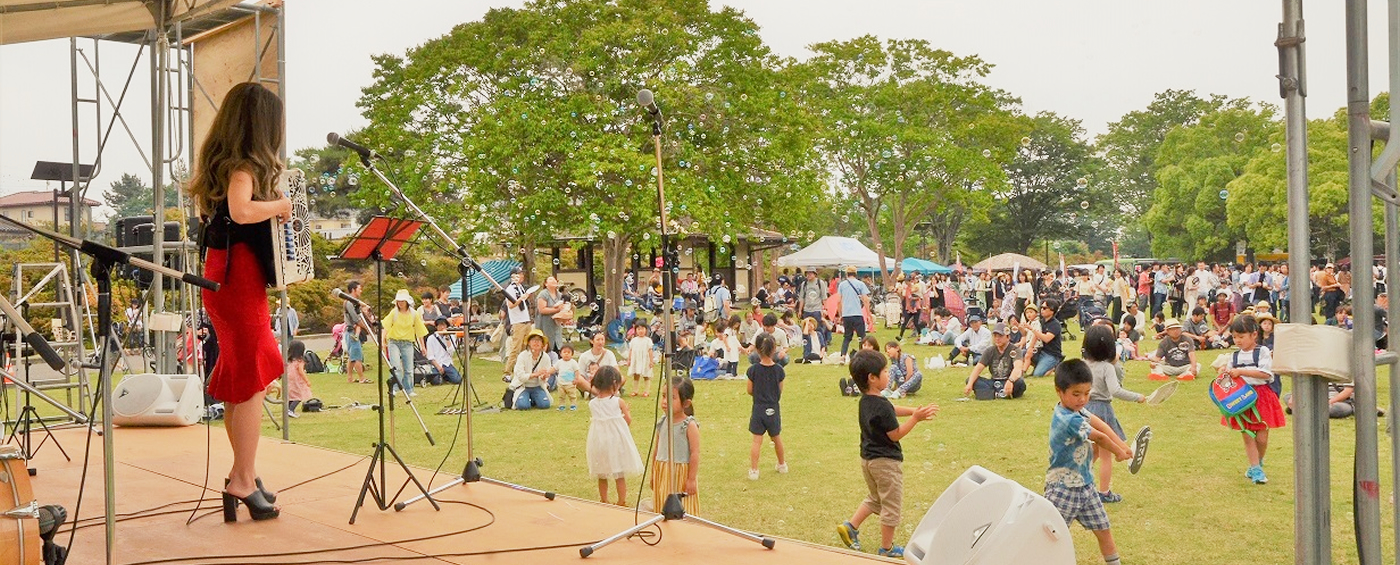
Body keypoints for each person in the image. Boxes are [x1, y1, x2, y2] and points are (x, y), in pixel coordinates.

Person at [188, 82, 291, 522]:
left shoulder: (220, 163)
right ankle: (243, 481)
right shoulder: (243, 167)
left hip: (224, 273)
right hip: (238, 279)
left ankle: (241, 472)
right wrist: (282, 204)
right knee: (251, 378)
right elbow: (242, 210)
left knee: (241, 379)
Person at [835, 350, 939, 558]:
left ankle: (851, 527)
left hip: (868, 460)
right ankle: (887, 548)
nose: (888, 374)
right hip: (886, 464)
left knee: (875, 498)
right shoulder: (881, 405)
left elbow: (891, 408)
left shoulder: (866, 401)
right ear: (872, 378)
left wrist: (912, 411)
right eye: (884, 371)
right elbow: (895, 434)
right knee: (891, 505)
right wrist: (915, 419)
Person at [1045, 359, 1133, 565]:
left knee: (1104, 530)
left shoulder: (1079, 410)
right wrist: (1119, 453)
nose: (1082, 399)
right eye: (1076, 394)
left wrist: (1122, 444)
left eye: (1087, 393)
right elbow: (1099, 438)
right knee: (1049, 536)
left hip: (1086, 486)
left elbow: (1102, 425)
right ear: (1060, 391)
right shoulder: (1067, 418)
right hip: (1063, 488)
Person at [1080, 325, 1145, 504]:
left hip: (1084, 410)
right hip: (1102, 410)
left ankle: (1078, 481)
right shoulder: (1106, 367)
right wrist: (1137, 397)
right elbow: (1115, 390)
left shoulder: (1083, 364)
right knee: (1106, 453)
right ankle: (1104, 492)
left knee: (1092, 450)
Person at [1218, 314, 1286, 484]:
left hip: (1262, 397)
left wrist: (1242, 372)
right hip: (1242, 399)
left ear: (1254, 334)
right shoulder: (1234, 357)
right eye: (1234, 337)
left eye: (1241, 337)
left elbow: (1266, 374)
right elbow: (1228, 381)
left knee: (1262, 437)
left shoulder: (1262, 352)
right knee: (1247, 435)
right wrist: (1223, 373)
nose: (1238, 341)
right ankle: (1255, 468)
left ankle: (1258, 462)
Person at [586, 366, 644, 506]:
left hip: (598, 441)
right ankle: (621, 501)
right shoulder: (618, 402)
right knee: (619, 473)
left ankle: (604, 499)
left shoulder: (592, 404)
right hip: (616, 441)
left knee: (602, 473)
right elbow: (628, 420)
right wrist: (626, 412)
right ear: (614, 384)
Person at [652, 377, 701, 515]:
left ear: (686, 403)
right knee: (662, 505)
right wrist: (653, 473)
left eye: (671, 398)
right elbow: (656, 449)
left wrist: (691, 479)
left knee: (683, 508)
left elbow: (695, 453)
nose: (665, 401)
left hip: (680, 474)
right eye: (663, 396)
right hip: (662, 471)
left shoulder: (689, 425)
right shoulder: (662, 422)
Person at [746, 333, 788, 480]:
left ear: (757, 349)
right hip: (773, 407)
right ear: (774, 349)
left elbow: (749, 390)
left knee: (756, 440)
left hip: (758, 408)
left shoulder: (753, 370)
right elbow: (780, 390)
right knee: (776, 438)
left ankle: (754, 470)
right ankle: (782, 464)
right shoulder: (779, 370)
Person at [963, 322, 1026, 400]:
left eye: (1000, 336)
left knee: (1020, 383)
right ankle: (999, 394)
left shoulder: (1015, 350)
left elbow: (1018, 368)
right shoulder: (990, 350)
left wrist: (1010, 381)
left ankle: (988, 394)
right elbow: (978, 368)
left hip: (1009, 381)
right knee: (970, 380)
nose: (997, 339)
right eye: (995, 336)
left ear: (1008, 337)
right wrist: (970, 384)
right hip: (994, 382)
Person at [383, 289, 428, 396]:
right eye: (398, 301)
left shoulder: (414, 314)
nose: (400, 303)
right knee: (396, 367)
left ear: (407, 301)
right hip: (394, 342)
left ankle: (409, 389)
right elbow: (385, 327)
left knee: (408, 368)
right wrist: (383, 341)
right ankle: (394, 387)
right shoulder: (394, 313)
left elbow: (419, 330)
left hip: (408, 343)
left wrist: (422, 346)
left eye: (402, 301)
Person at [510, 329, 555, 410]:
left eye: (538, 340)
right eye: (533, 340)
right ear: (529, 343)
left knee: (545, 405)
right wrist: (536, 374)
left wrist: (544, 376)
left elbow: (544, 378)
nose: (536, 343)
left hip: (537, 386)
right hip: (523, 385)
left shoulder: (545, 357)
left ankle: (534, 399)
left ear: (542, 344)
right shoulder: (522, 356)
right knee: (523, 406)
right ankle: (524, 398)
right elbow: (520, 376)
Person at [501, 266, 534, 377]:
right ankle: (507, 372)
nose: (522, 276)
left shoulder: (520, 287)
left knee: (526, 347)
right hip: (518, 322)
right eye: (519, 274)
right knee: (516, 348)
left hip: (526, 320)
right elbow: (510, 305)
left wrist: (526, 297)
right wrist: (522, 298)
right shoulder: (511, 289)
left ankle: (523, 369)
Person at [837, 266, 872, 362]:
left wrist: (840, 314)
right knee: (862, 336)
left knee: (847, 337)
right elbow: (865, 300)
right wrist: (868, 314)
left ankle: (843, 356)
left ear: (846, 274)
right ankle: (863, 356)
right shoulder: (860, 284)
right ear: (856, 274)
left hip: (846, 314)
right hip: (857, 313)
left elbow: (839, 301)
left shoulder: (842, 285)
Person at [341, 282, 371, 384]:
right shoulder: (349, 303)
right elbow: (356, 319)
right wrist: (368, 328)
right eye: (359, 289)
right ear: (353, 290)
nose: (361, 291)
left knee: (352, 356)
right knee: (357, 355)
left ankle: (350, 378)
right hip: (352, 331)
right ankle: (362, 378)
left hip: (351, 331)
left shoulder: (354, 302)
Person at [1030, 299, 1065, 377]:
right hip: (1040, 351)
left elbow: (1046, 339)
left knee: (1037, 374)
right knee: (1022, 353)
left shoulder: (1055, 324)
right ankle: (1039, 365)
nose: (1042, 310)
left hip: (1051, 354)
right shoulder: (1040, 322)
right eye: (1041, 307)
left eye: (1045, 308)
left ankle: (1053, 366)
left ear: (1052, 311)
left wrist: (1033, 330)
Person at [576, 332, 619, 396]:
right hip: (590, 382)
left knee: (622, 378)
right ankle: (596, 392)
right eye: (598, 340)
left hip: (606, 381)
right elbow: (580, 374)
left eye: (602, 339)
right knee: (577, 379)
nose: (600, 342)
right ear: (591, 341)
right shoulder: (584, 356)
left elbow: (616, 369)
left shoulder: (609, 354)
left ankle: (605, 391)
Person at [425, 317, 463, 386]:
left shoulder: (451, 336)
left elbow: (451, 351)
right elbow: (430, 356)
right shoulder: (431, 338)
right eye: (439, 325)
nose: (442, 327)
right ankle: (442, 377)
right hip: (437, 364)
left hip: (447, 363)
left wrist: (447, 338)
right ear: (436, 327)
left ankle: (446, 377)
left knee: (458, 380)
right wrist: (438, 366)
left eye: (443, 325)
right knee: (436, 381)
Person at [534, 276, 567, 353]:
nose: (553, 281)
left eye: (555, 280)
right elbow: (542, 310)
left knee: (557, 349)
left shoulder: (559, 294)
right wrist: (557, 309)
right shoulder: (543, 294)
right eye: (550, 280)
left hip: (556, 325)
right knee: (546, 347)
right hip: (545, 325)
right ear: (546, 284)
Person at [283, 340, 312, 418]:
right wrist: (307, 381)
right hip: (297, 379)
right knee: (299, 395)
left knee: (291, 395)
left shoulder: (288, 359)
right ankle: (291, 410)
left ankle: (288, 410)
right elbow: (301, 371)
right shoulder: (300, 360)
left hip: (288, 378)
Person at [627, 318, 654, 396]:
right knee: (636, 375)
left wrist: (651, 361)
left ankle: (646, 391)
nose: (641, 331)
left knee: (646, 375)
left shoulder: (648, 340)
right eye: (638, 329)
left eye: (642, 329)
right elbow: (631, 350)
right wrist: (629, 360)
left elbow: (650, 351)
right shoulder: (634, 340)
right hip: (636, 359)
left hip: (645, 360)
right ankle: (635, 390)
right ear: (636, 330)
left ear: (646, 330)